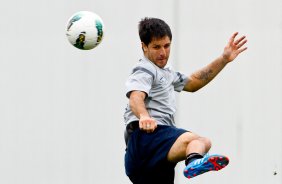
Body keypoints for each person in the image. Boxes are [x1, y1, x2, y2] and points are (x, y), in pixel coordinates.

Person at [123, 17, 247, 184]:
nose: (163, 52)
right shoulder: (145, 69)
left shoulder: (167, 73)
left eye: (167, 46)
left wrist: (223, 59)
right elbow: (136, 96)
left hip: (149, 160)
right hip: (146, 139)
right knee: (199, 142)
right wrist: (144, 116)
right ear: (144, 46)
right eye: (156, 47)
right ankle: (193, 161)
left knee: (197, 144)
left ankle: (194, 160)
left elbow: (194, 81)